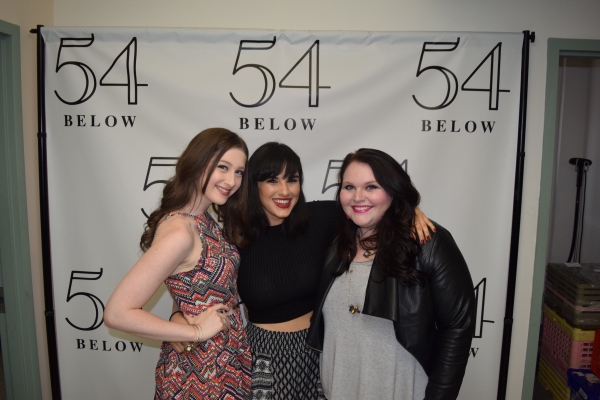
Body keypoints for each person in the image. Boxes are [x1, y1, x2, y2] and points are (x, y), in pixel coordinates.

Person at [170, 142, 434, 399]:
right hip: (262, 358)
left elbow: (372, 207)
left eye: (293, 179)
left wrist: (410, 211)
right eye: (272, 180)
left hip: (319, 352)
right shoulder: (235, 236)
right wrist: (178, 314)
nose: (285, 191)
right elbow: (197, 282)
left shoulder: (321, 218)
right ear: (254, 185)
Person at [306, 148, 476, 400]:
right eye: (349, 187)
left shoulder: (426, 243)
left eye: (372, 187)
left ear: (393, 191)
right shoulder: (336, 244)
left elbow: (457, 326)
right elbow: (284, 210)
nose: (358, 197)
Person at [104, 128, 252, 400]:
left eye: (239, 172)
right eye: (223, 167)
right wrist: (193, 331)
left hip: (226, 361)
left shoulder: (203, 219)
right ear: (198, 163)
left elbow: (190, 285)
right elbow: (117, 313)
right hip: (199, 372)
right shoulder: (180, 231)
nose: (231, 180)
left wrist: (178, 314)